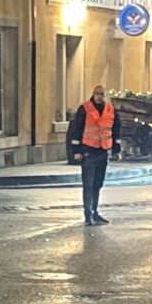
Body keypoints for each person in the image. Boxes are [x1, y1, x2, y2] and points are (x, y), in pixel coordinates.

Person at [67, 84, 115, 226]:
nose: (100, 96)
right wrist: (76, 151)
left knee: (97, 184)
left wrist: (116, 148)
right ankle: (88, 215)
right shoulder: (85, 108)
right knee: (88, 185)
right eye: (98, 94)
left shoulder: (109, 109)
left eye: (102, 94)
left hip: (103, 151)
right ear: (94, 94)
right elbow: (77, 130)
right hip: (88, 151)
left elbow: (114, 129)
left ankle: (94, 211)